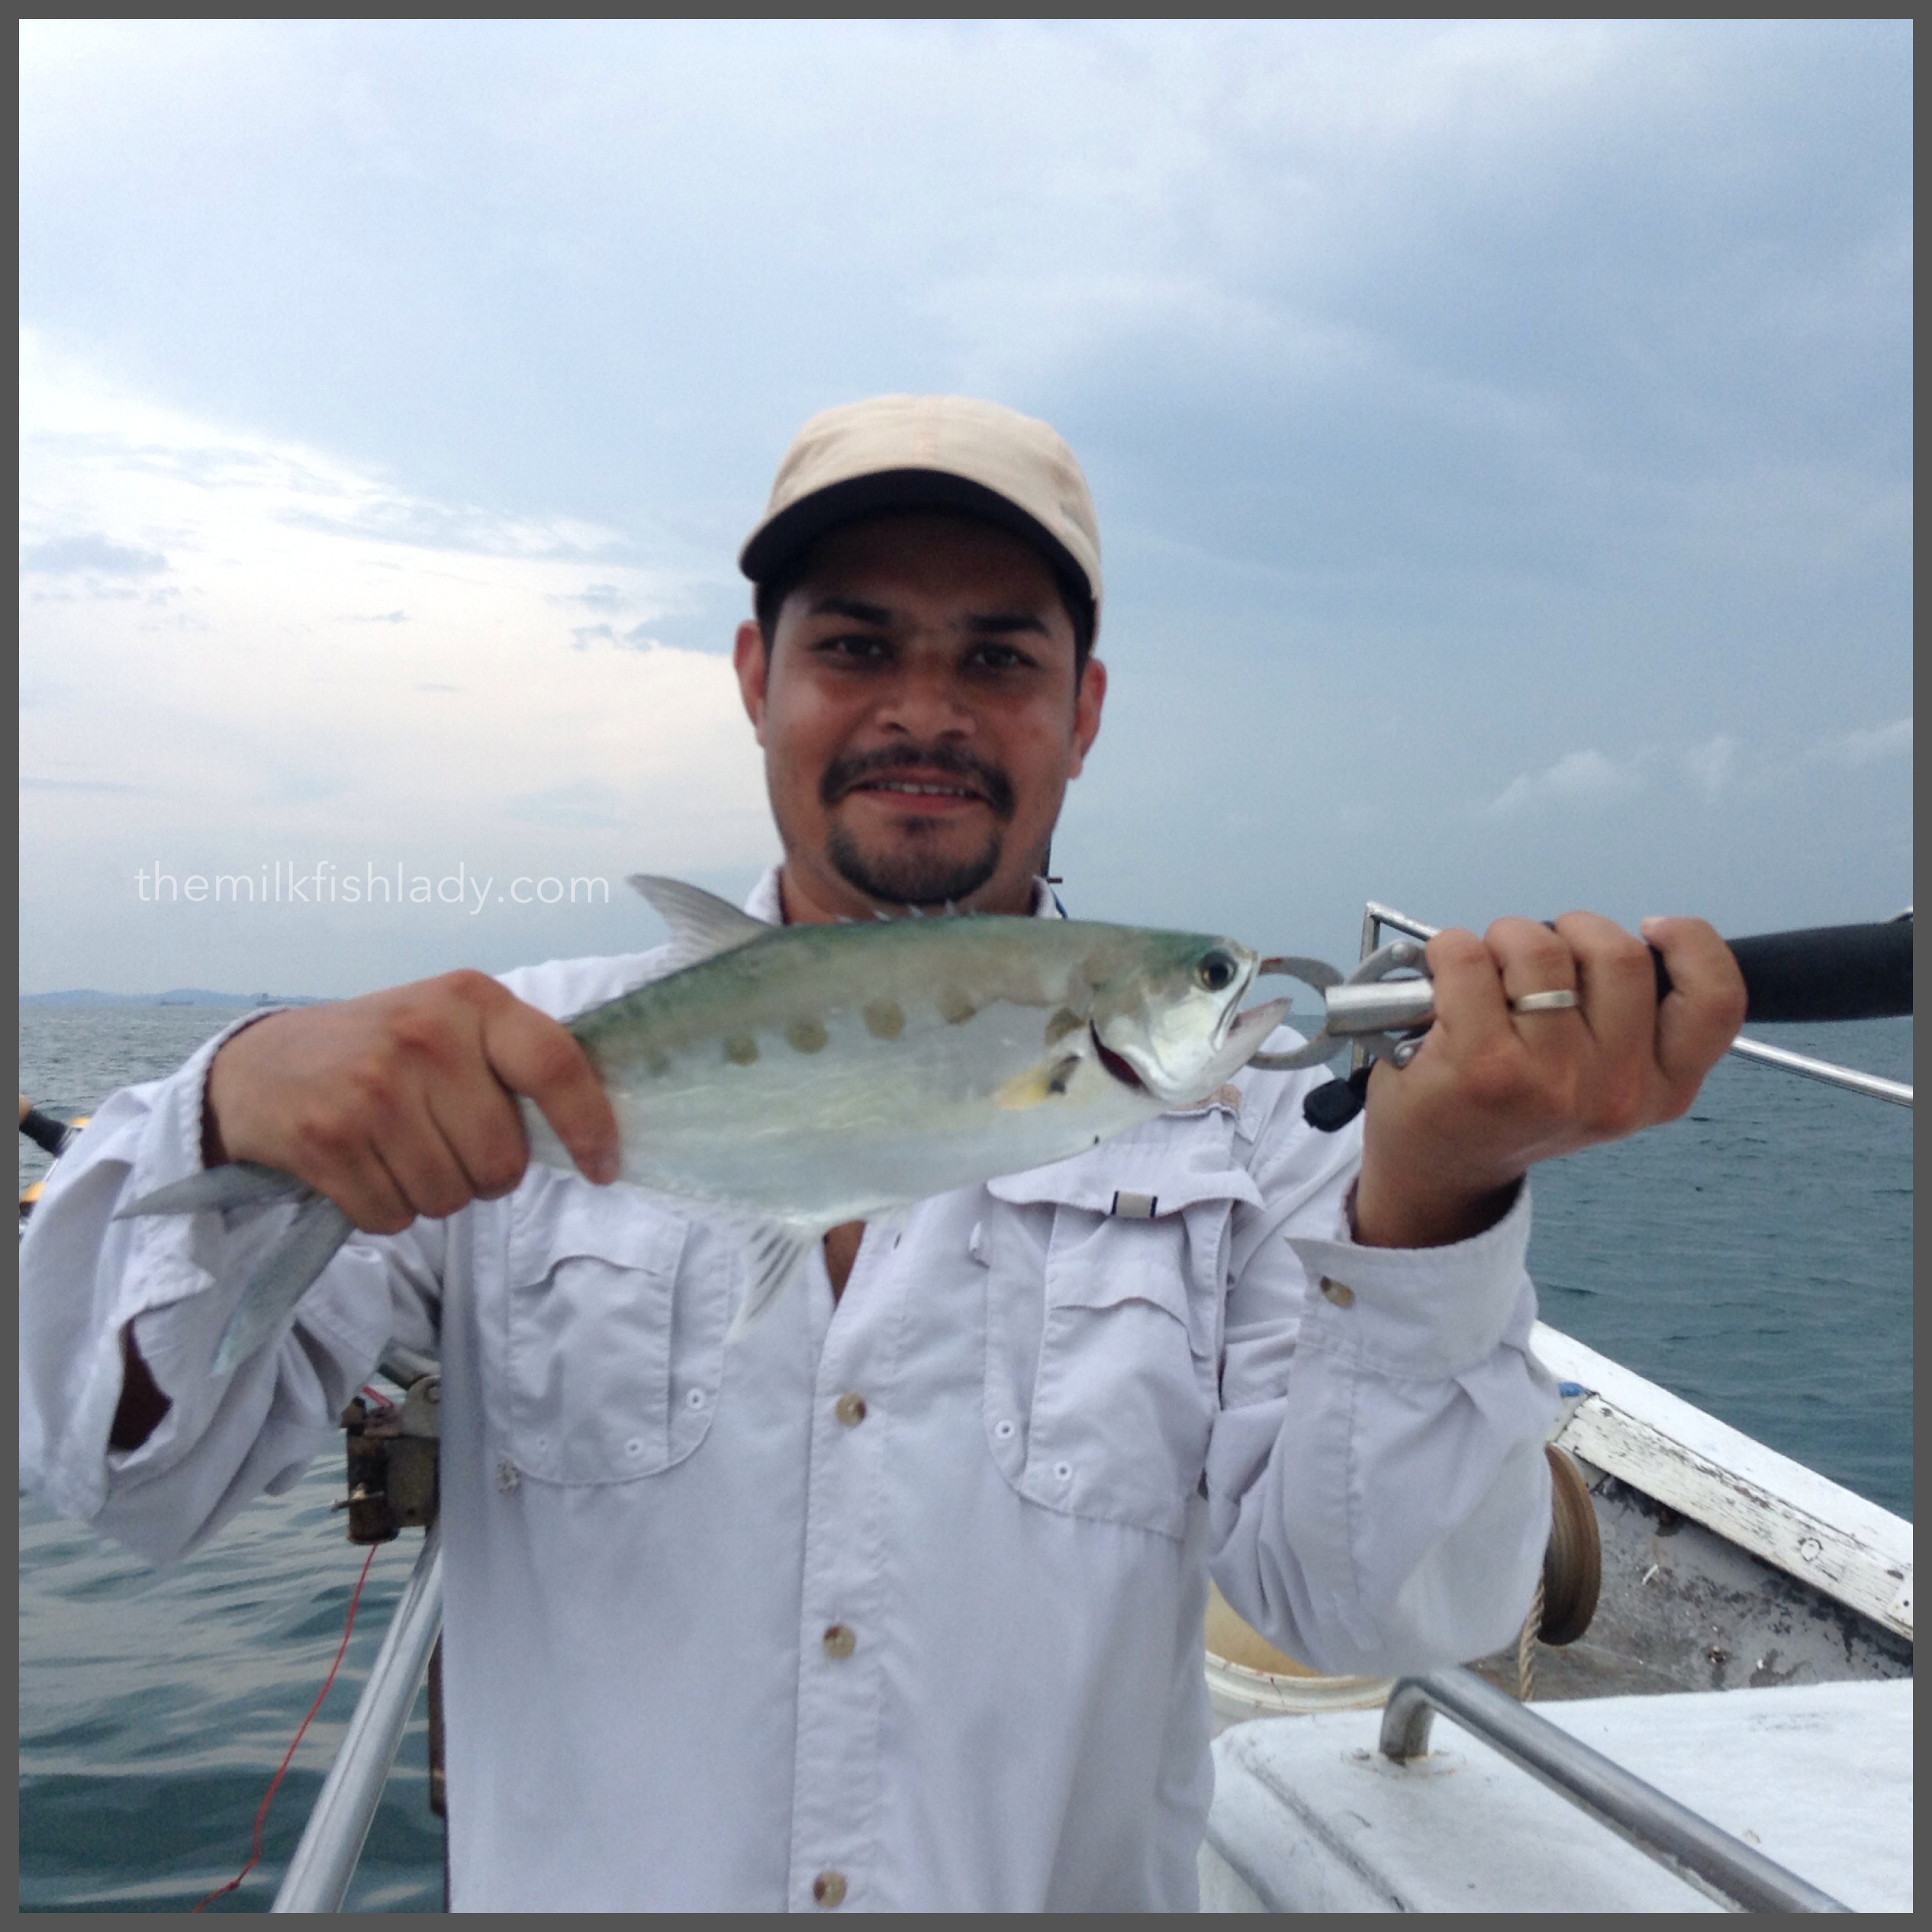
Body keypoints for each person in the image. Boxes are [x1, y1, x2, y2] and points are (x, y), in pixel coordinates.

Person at [18, 394, 1747, 1911]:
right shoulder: (504, 1058)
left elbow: (1384, 1612)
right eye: (856, 646)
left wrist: (1438, 1201)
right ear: (756, 678)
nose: (926, 710)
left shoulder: (1259, 1132)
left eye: (998, 659)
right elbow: (126, 1478)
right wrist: (236, 1100)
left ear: (1083, 711)